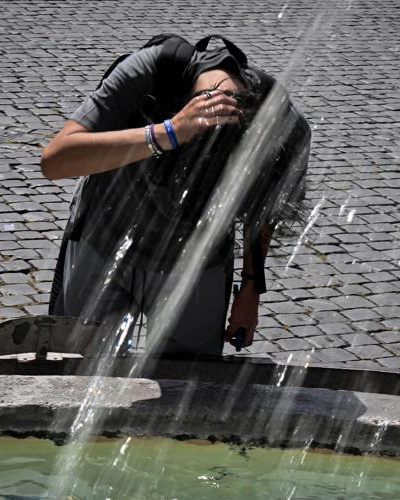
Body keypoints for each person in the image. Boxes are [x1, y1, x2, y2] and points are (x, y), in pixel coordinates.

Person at [41, 34, 310, 357]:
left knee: (189, 388)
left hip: (194, 266)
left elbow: (263, 208)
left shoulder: (279, 123)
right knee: (76, 371)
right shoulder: (146, 73)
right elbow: (55, 160)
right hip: (104, 244)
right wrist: (166, 133)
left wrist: (251, 287)